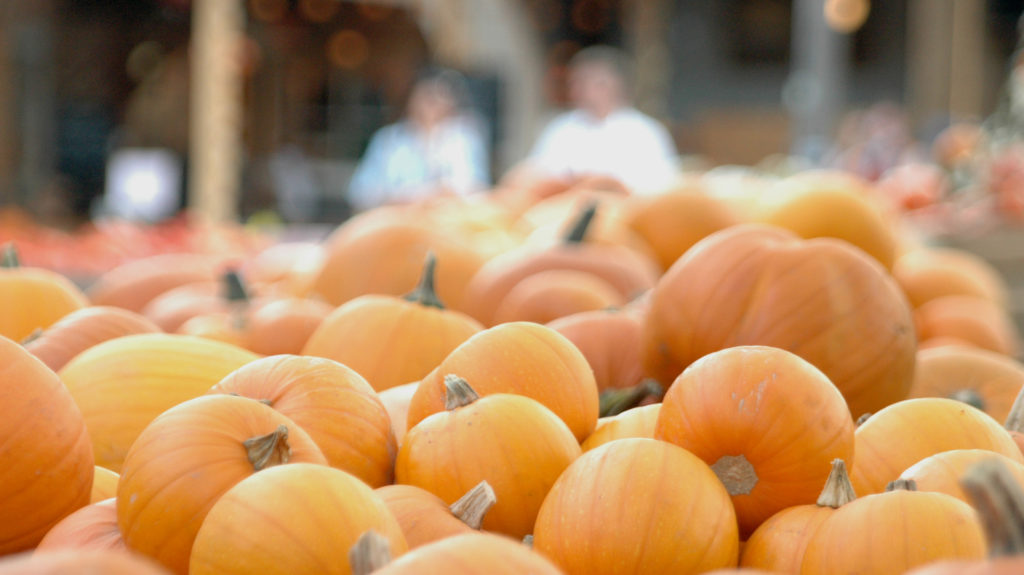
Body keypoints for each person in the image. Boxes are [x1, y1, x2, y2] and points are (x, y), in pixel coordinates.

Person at [526, 45, 680, 194]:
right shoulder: (560, 128)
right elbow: (535, 177)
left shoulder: (644, 131)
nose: (575, 90)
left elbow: (662, 187)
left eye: (584, 82)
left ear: (611, 84)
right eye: (573, 83)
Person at [347, 67, 490, 212]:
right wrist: (401, 197)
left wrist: (443, 194)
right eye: (426, 95)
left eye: (438, 96)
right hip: (397, 221)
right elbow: (361, 192)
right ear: (412, 97)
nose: (431, 104)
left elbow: (476, 190)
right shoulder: (389, 139)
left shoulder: (463, 137)